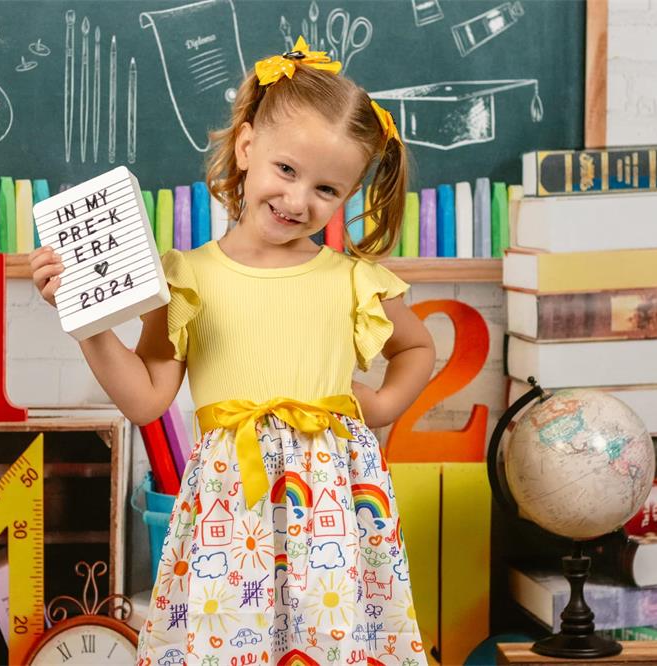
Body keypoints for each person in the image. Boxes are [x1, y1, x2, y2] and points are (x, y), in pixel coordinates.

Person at [30, 37, 434, 665]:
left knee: (332, 643)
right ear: (247, 148)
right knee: (229, 645)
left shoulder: (352, 278)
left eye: (328, 189)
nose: (299, 201)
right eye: (287, 171)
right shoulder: (188, 276)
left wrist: (379, 405)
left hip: (331, 507)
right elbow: (145, 398)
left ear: (349, 193)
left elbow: (417, 346)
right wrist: (85, 322)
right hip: (230, 502)